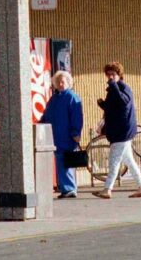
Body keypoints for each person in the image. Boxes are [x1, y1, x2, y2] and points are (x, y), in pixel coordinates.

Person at [92, 62, 141, 200]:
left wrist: (113, 86)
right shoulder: (114, 89)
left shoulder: (124, 89)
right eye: (108, 74)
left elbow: (123, 102)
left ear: (119, 75)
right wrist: (104, 105)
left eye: (113, 74)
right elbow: (115, 108)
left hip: (121, 132)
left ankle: (107, 189)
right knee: (129, 161)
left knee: (114, 161)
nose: (111, 77)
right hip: (121, 131)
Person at [42, 70, 83, 199]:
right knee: (61, 161)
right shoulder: (54, 99)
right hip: (57, 135)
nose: (60, 84)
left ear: (68, 82)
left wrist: (76, 132)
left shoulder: (71, 97)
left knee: (66, 161)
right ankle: (66, 188)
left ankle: (70, 188)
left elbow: (77, 116)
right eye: (58, 82)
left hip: (66, 135)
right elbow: (47, 115)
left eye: (63, 81)